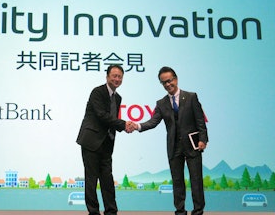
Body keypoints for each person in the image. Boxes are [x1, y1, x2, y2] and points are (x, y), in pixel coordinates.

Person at [130, 66, 208, 215]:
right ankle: (180, 211)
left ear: (176, 79)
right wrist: (137, 126)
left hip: (193, 145)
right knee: (177, 181)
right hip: (174, 147)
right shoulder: (161, 103)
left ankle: (198, 211)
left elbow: (200, 121)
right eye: (163, 82)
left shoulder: (191, 97)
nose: (167, 84)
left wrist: (203, 140)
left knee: (196, 180)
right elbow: (153, 122)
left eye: (169, 80)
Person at [76, 65, 133, 215]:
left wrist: (122, 126)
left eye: (120, 76)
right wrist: (123, 124)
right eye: (114, 76)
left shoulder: (118, 97)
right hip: (91, 141)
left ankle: (111, 211)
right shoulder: (97, 92)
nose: (117, 79)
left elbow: (111, 120)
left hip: (107, 143)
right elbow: (102, 115)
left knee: (107, 179)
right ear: (107, 77)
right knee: (91, 179)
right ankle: (93, 212)